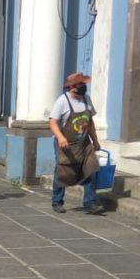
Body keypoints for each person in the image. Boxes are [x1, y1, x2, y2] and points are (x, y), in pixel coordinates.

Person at [49, 72, 104, 214]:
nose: (83, 87)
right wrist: (60, 137)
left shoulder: (86, 99)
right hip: (66, 144)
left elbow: (90, 122)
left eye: (83, 84)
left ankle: (90, 203)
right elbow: (53, 122)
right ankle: (57, 201)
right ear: (72, 87)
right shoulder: (62, 101)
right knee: (63, 172)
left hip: (84, 144)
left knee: (91, 169)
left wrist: (95, 140)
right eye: (80, 84)